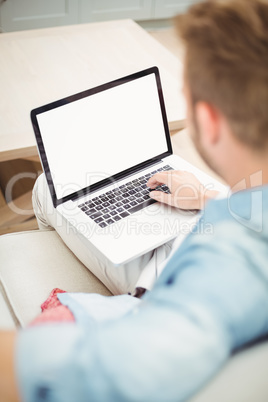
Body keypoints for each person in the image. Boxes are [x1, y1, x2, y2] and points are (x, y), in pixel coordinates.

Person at [1, 0, 268, 400]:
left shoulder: (229, 269)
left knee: (44, 188)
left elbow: (104, 372)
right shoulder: (240, 215)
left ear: (209, 122)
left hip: (152, 284)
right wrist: (211, 198)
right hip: (199, 215)